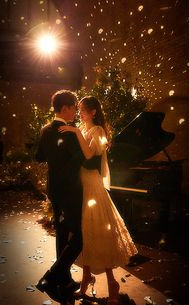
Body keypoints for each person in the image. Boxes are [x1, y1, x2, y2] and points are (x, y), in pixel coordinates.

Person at [59, 96, 138, 305]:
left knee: (99, 231)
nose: (81, 113)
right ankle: (86, 279)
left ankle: (113, 284)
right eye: (80, 110)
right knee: (85, 232)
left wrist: (75, 132)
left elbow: (88, 157)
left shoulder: (99, 132)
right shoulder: (83, 130)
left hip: (93, 186)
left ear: (94, 112)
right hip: (81, 186)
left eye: (84, 110)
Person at [35, 90, 86, 304]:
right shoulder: (70, 132)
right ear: (65, 108)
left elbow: (38, 156)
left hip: (54, 189)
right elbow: (83, 159)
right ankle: (52, 276)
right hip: (71, 190)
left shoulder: (46, 129)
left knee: (62, 233)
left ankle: (64, 281)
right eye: (74, 107)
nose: (75, 111)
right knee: (81, 237)